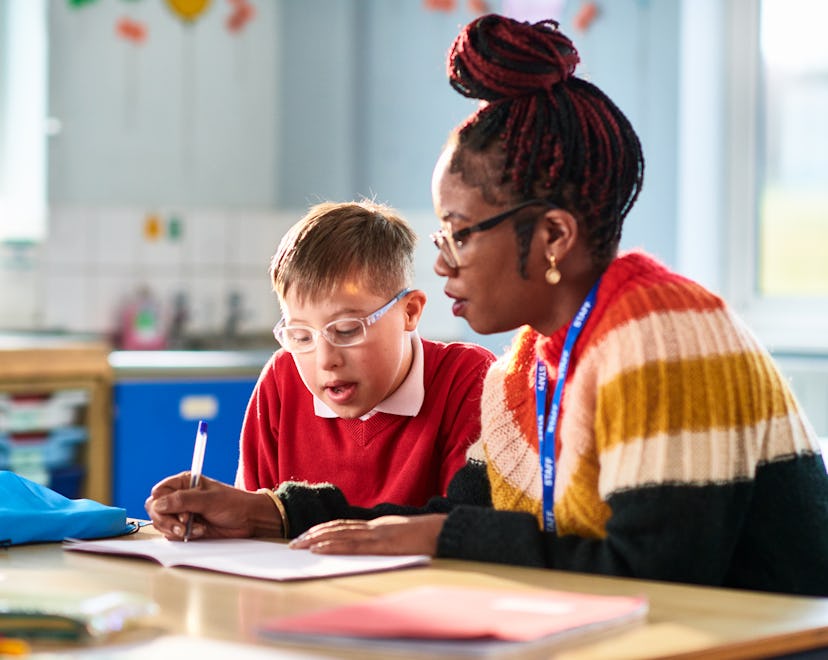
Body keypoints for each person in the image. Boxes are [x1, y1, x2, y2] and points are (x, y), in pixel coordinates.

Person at [146, 15, 828, 597]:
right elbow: (438, 514)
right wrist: (267, 514)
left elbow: (655, 577)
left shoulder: (662, 336)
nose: (442, 260)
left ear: (554, 235)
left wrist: (443, 534)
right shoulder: (522, 372)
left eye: (461, 233)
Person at [145, 200, 494, 536]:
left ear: (410, 312)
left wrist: (279, 516)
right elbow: (254, 529)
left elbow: (462, 530)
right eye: (300, 335)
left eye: (346, 330)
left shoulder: (468, 379)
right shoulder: (283, 378)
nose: (326, 359)